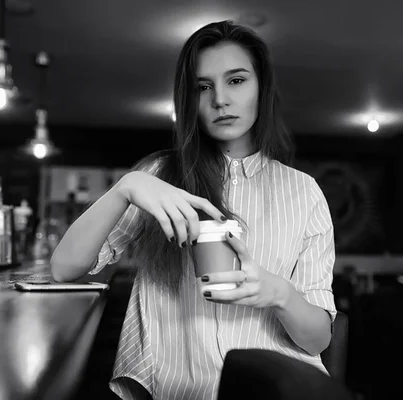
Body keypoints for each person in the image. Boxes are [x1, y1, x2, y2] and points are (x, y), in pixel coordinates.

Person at [51, 20, 337, 400]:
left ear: (262, 87)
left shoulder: (305, 192)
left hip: (274, 390)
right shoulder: (157, 176)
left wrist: (280, 294)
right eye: (203, 87)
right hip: (175, 389)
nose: (220, 99)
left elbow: (317, 340)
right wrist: (126, 187)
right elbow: (64, 268)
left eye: (236, 80)